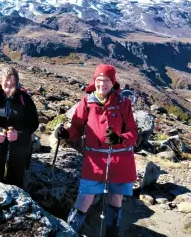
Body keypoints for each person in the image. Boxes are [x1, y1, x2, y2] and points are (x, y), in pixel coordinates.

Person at [54, 64, 138, 236]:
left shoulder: (123, 103)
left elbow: (133, 133)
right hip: (94, 161)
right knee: (84, 199)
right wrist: (66, 133)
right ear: (94, 81)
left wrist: (119, 139)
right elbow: (76, 127)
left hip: (120, 160)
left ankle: (110, 234)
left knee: (115, 199)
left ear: (113, 82)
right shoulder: (87, 102)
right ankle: (68, 233)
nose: (102, 84)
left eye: (106, 80)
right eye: (99, 80)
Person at [0, 67, 39, 188]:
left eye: (12, 82)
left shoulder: (24, 99)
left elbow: (34, 123)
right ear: (0, 81)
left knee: (15, 182)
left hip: (19, 148)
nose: (8, 85)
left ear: (17, 83)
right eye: (6, 81)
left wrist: (18, 134)